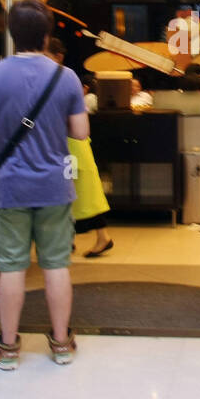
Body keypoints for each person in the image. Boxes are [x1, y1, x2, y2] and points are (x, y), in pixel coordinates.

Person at [0, 0, 87, 370]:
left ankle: (7, 348)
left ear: (10, 32)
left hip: (11, 186)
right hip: (55, 184)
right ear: (47, 33)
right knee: (56, 265)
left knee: (12, 267)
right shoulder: (65, 76)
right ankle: (62, 344)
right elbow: (81, 132)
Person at [45, 37, 114, 258]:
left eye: (45, 54)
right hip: (73, 144)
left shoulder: (61, 78)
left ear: (58, 56)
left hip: (70, 145)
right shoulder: (62, 78)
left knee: (76, 194)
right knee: (76, 194)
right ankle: (75, 239)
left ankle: (97, 238)